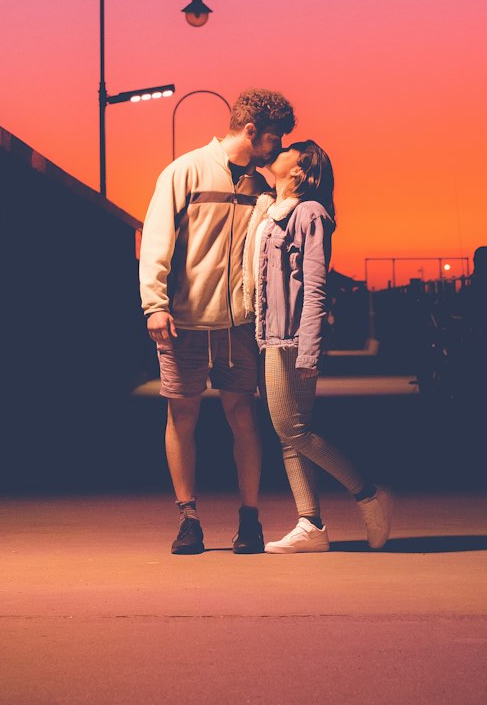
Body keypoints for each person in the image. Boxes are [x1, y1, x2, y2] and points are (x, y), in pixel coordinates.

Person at [139, 87, 295, 556]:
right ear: (251, 131)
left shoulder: (262, 186)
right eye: (274, 138)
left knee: (243, 415)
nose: (279, 147)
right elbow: (157, 237)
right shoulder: (184, 171)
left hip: (239, 325)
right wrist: (155, 304)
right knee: (181, 415)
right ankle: (188, 519)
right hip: (183, 320)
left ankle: (250, 518)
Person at [244, 140, 393, 554]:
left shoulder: (309, 213)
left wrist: (309, 349)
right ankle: (310, 524)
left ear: (301, 167)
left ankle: (368, 494)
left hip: (291, 337)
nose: (281, 149)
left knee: (293, 430)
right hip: (270, 334)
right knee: (289, 434)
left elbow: (316, 286)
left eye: (289, 149)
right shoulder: (273, 211)